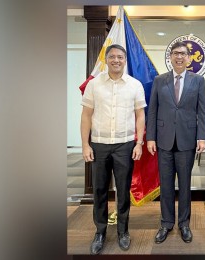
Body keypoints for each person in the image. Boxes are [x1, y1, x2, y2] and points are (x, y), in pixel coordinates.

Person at [80, 44, 146, 254]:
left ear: (124, 60)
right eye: (112, 57)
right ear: (106, 59)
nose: (116, 60)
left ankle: (123, 231)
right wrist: (84, 144)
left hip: (125, 144)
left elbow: (140, 116)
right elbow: (86, 115)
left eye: (120, 57)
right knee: (99, 189)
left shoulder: (134, 85)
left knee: (123, 190)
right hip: (99, 144)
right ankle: (100, 231)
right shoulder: (94, 84)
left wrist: (139, 143)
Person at [146, 41, 205, 244]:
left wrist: (202, 137)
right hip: (163, 140)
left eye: (183, 54)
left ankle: (184, 224)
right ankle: (165, 223)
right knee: (165, 185)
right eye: (175, 53)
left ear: (189, 58)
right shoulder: (159, 80)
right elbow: (153, 110)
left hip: (187, 141)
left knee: (184, 184)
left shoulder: (198, 80)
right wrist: (151, 137)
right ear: (170, 57)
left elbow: (201, 111)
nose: (179, 57)